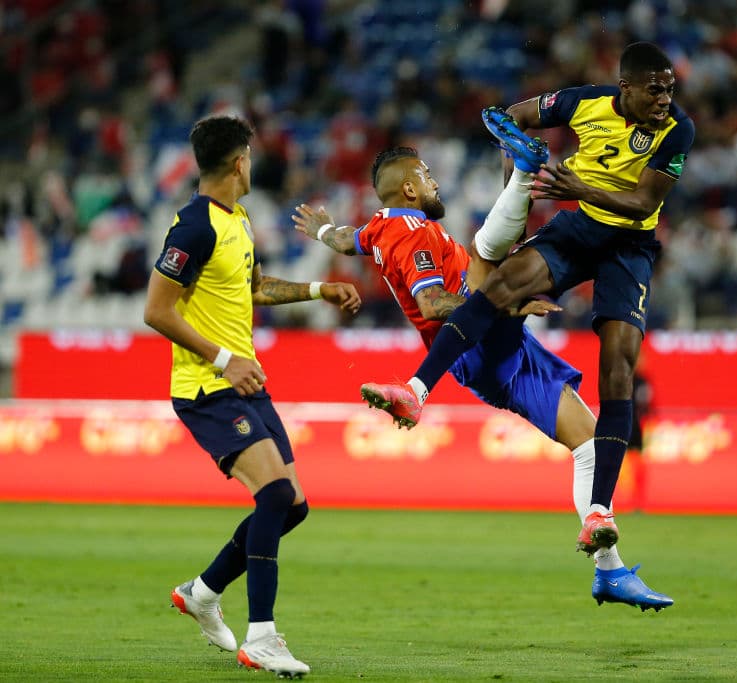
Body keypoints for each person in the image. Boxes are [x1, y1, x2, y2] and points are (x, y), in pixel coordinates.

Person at [292, 137, 673, 611]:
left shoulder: (376, 229)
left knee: (591, 446)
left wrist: (323, 229)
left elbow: (346, 240)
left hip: (496, 347)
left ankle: (610, 570)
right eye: (427, 176)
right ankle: (520, 171)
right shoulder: (413, 232)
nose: (435, 183)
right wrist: (506, 302)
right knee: (488, 258)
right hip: (477, 343)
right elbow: (432, 303)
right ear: (410, 190)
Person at [360, 42, 695, 557]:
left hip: (628, 246)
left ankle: (601, 510)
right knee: (498, 287)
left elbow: (643, 202)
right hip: (579, 230)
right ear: (625, 86)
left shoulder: (677, 130)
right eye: (655, 88)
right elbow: (507, 116)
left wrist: (578, 187)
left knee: (619, 369)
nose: (665, 98)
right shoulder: (585, 103)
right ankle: (416, 390)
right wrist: (514, 164)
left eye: (669, 88)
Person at [143, 114, 361, 678]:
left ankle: (203, 591)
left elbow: (255, 288)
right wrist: (223, 358)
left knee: (293, 506)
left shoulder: (236, 219)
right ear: (240, 160)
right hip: (207, 386)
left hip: (244, 381)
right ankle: (261, 635)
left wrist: (319, 290)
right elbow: (156, 310)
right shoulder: (193, 226)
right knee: (274, 496)